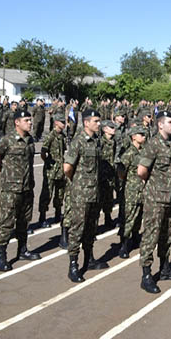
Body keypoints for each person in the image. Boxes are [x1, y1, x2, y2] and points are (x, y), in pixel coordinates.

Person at [0, 110, 41, 271]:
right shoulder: (7, 140)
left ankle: (22, 250)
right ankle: (1, 256)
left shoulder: (30, 140)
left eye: (30, 120)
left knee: (24, 221)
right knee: (6, 223)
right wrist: (5, 172)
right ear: (17, 122)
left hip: (27, 188)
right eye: (26, 120)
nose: (30, 123)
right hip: (11, 190)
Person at [137, 111, 171, 294]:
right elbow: (142, 171)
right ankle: (146, 275)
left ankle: (164, 268)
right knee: (151, 236)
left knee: (167, 235)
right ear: (160, 124)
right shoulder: (153, 145)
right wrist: (154, 186)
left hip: (170, 198)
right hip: (156, 199)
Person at [64, 109, 109, 282]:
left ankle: (89, 258)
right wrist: (78, 184)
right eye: (96, 121)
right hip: (81, 194)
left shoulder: (97, 141)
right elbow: (67, 168)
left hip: (95, 193)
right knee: (77, 230)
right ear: (86, 123)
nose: (99, 124)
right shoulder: (78, 142)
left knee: (91, 228)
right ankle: (73, 265)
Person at [116, 125, 147, 259]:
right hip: (131, 190)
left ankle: (135, 238)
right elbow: (121, 172)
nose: (144, 136)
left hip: (141, 190)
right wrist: (130, 183)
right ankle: (124, 244)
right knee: (128, 217)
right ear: (134, 137)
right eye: (141, 134)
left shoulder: (144, 152)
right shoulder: (129, 153)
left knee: (138, 216)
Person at [38, 113, 67, 229]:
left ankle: (57, 213)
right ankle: (42, 217)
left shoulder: (62, 136)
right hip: (51, 170)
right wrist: (48, 162)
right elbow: (43, 152)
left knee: (60, 193)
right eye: (62, 122)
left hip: (60, 169)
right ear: (56, 123)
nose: (64, 124)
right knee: (47, 193)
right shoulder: (50, 136)